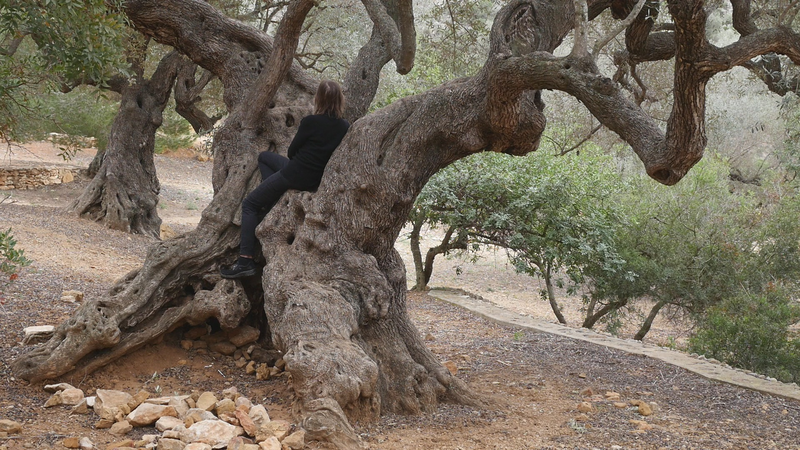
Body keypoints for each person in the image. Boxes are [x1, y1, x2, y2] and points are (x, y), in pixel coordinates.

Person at [221, 80, 350, 279]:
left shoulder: (310, 121)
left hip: (294, 175)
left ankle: (245, 261)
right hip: (315, 181)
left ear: (318, 99)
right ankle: (273, 199)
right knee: (265, 157)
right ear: (339, 100)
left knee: (249, 205)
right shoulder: (344, 126)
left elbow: (291, 151)